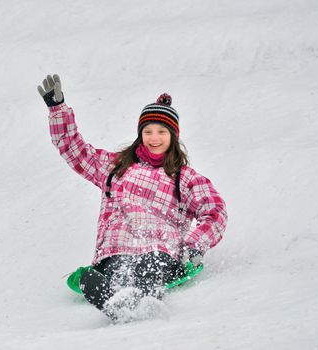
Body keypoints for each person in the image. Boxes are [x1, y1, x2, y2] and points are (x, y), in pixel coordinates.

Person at [38, 74, 228, 319]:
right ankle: (117, 304)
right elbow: (75, 150)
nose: (154, 138)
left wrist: (194, 244)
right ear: (140, 134)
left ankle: (141, 304)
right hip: (116, 250)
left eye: (162, 131)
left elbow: (214, 211)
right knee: (105, 273)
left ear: (173, 136)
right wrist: (58, 108)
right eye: (148, 131)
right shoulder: (115, 167)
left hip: (161, 250)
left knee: (149, 266)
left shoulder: (184, 177)